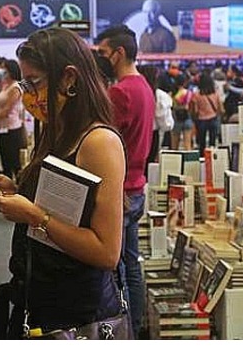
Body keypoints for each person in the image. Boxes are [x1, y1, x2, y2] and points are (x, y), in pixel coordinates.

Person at [0, 27, 126, 339]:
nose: (30, 96)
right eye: (25, 84)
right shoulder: (54, 129)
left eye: (35, 83)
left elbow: (107, 252)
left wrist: (35, 216)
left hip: (77, 313)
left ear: (69, 78)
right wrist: (18, 191)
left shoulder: (98, 142)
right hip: (38, 296)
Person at [94, 24, 154, 338]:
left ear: (118, 53)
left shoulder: (120, 92)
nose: (100, 58)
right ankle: (138, 328)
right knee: (131, 266)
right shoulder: (143, 86)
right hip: (137, 185)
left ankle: (125, 331)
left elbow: (103, 136)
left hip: (120, 190)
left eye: (103, 53)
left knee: (116, 272)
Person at [0, 59, 26, 179]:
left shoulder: (16, 87)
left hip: (12, 130)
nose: (2, 72)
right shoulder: (5, 86)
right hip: (3, 129)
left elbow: (6, 110)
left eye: (5, 70)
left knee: (14, 164)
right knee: (6, 164)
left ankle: (18, 192)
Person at [139, 65, 173, 165]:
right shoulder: (159, 95)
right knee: (149, 163)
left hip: (137, 131)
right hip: (153, 134)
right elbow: (166, 124)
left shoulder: (137, 91)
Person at [190, 72, 223, 155]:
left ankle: (202, 158)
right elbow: (220, 108)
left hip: (201, 120)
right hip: (213, 118)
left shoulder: (197, 95)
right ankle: (212, 158)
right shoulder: (215, 94)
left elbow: (195, 110)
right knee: (212, 142)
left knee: (202, 143)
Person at [170, 75, 194, 150]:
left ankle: (175, 161)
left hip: (175, 119)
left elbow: (171, 106)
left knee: (174, 146)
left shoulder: (172, 94)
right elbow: (192, 106)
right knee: (187, 145)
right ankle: (188, 161)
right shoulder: (189, 93)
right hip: (187, 118)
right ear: (184, 83)